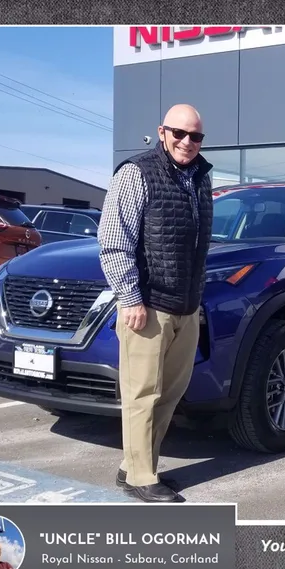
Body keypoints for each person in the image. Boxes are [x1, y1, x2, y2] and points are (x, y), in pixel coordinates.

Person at [98, 104, 213, 502]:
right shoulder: (136, 173)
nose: (187, 142)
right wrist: (129, 297)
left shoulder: (199, 179)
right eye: (179, 133)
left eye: (195, 136)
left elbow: (196, 247)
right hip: (147, 306)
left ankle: (135, 465)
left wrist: (195, 300)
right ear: (161, 132)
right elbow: (114, 240)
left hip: (185, 306)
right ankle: (143, 477)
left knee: (169, 393)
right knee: (141, 393)